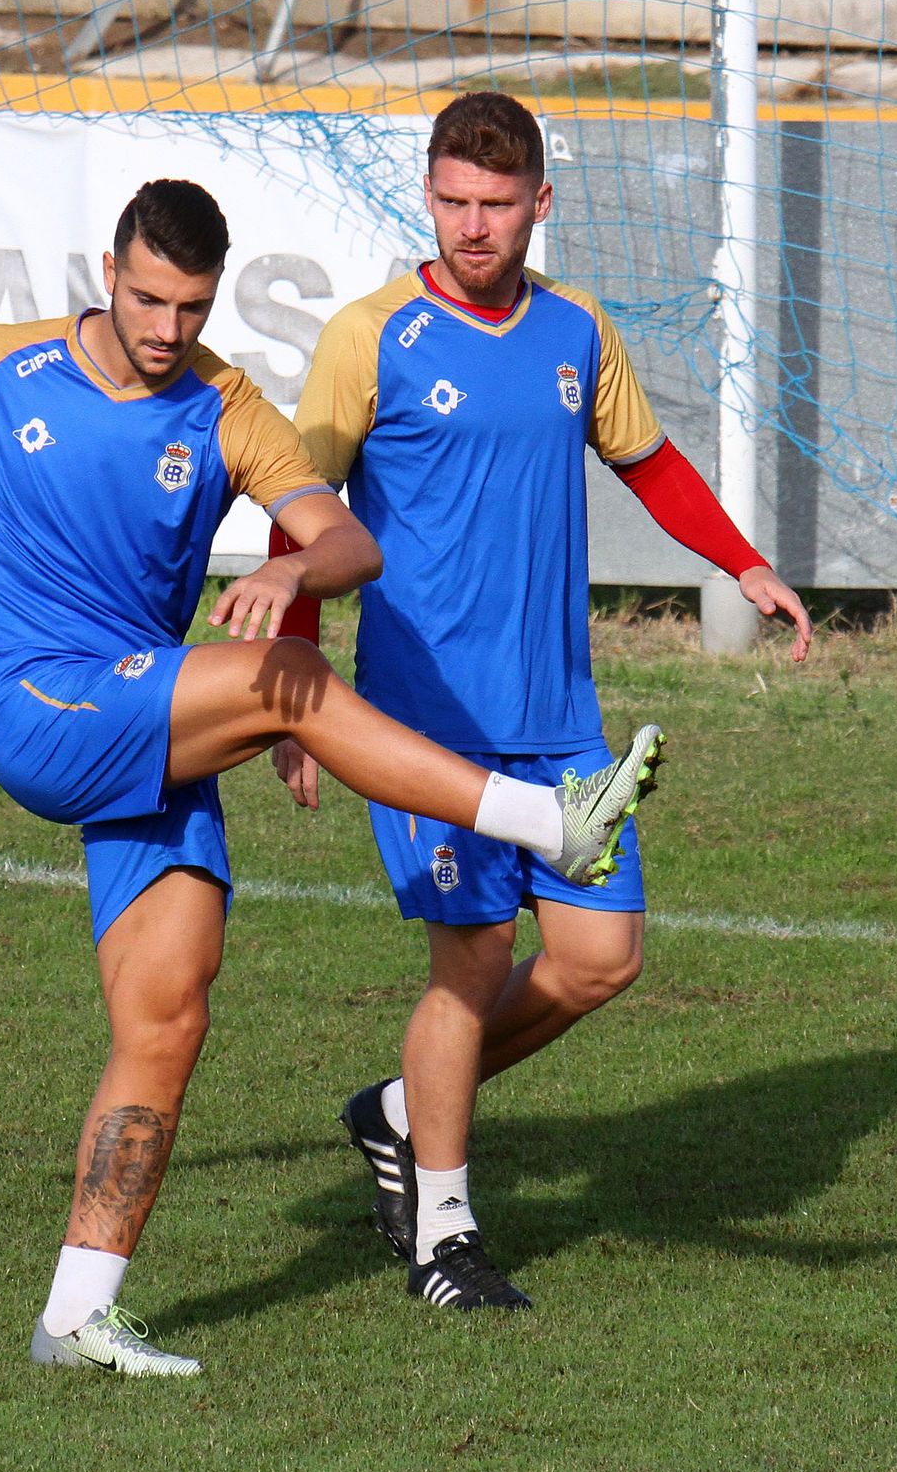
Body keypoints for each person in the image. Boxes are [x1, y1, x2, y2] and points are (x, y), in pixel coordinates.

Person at [0, 178, 665, 1375]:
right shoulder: (7, 367)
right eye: (147, 298)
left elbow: (345, 536)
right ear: (107, 270)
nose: (165, 327)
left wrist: (295, 575)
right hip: (43, 702)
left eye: (189, 306)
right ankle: (547, 821)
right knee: (274, 683)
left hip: (148, 725)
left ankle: (77, 1314)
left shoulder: (224, 406)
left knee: (168, 1014)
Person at [272, 95, 813, 1311]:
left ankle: (405, 1109)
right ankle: (444, 1237)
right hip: (424, 727)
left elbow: (651, 462)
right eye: (453, 202)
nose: (472, 227)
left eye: (496, 206)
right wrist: (293, 691)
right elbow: (300, 515)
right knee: (473, 959)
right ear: (429, 194)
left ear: (538, 205)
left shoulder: (576, 329)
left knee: (600, 958)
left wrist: (742, 562)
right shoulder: (373, 335)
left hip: (559, 720)